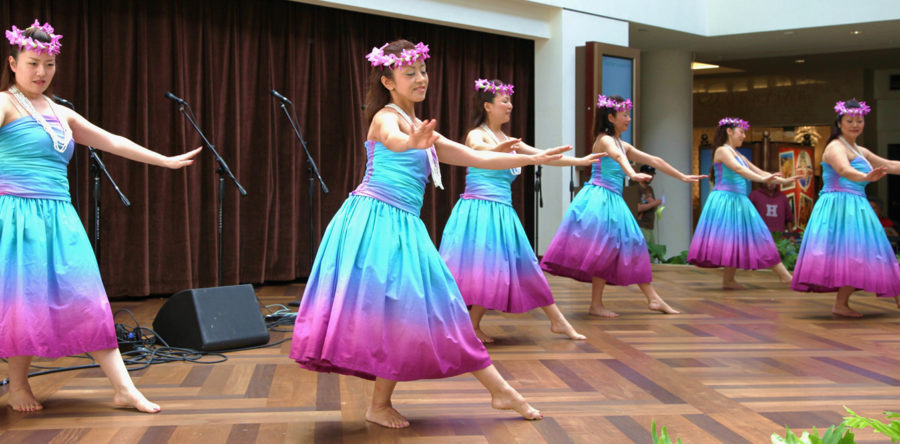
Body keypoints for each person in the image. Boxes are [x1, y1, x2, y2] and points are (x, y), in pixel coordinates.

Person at [290, 40, 568, 429]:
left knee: (409, 312)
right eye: (410, 73)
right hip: (375, 222)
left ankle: (398, 402)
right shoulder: (386, 117)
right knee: (422, 309)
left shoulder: (422, 128)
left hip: (401, 225)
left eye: (423, 71)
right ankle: (498, 391)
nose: (420, 78)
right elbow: (393, 139)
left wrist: (532, 158)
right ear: (388, 80)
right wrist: (411, 142)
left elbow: (478, 158)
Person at [0, 20, 202, 413]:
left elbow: (113, 141)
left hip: (59, 217)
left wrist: (163, 160)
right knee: (19, 303)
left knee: (87, 299)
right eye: (32, 63)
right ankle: (19, 385)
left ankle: (123, 388)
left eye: (50, 64)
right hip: (16, 216)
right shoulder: (4, 103)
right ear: (12, 62)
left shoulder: (61, 114)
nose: (41, 72)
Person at [438, 78, 603, 343]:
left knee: (512, 268)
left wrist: (580, 161)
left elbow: (544, 156)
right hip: (479, 211)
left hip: (502, 213)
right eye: (504, 101)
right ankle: (458, 326)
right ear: (487, 106)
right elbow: (482, 151)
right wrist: (499, 149)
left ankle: (551, 322)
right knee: (483, 271)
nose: (510, 105)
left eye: (510, 100)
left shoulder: (508, 139)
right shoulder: (476, 134)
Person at [540, 95, 705, 318]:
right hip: (599, 198)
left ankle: (642, 299)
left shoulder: (622, 143)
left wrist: (682, 176)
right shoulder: (605, 140)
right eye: (624, 115)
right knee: (611, 247)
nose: (628, 118)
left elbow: (654, 160)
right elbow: (617, 157)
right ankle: (626, 301)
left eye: (629, 114)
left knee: (625, 246)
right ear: (610, 117)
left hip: (613, 200)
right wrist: (632, 173)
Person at [792, 99, 900, 317]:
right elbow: (844, 170)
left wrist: (869, 175)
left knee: (869, 253)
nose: (855, 125)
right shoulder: (834, 147)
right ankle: (841, 304)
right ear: (839, 123)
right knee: (855, 255)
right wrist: (865, 176)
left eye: (859, 121)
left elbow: (890, 165)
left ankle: (842, 304)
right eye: (849, 120)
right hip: (838, 206)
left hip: (856, 205)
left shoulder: (860, 150)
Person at [688, 117, 799, 289]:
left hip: (738, 199)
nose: (744, 136)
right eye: (741, 131)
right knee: (750, 236)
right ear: (729, 131)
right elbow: (741, 170)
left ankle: (729, 280)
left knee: (747, 237)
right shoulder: (722, 151)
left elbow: (759, 171)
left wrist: (784, 181)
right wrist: (763, 178)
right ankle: (784, 275)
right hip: (725, 200)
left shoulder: (737, 154)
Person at [634, 164, 661, 243]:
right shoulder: (635, 187)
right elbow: (637, 208)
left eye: (652, 174)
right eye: (648, 174)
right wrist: (654, 203)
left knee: (651, 253)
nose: (650, 177)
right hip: (640, 226)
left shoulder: (649, 189)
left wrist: (654, 203)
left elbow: (654, 208)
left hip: (650, 227)